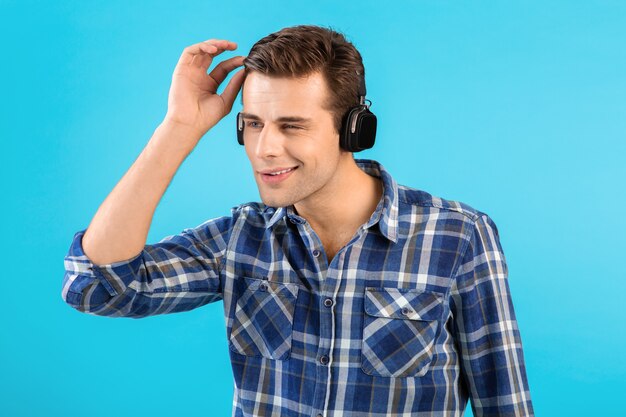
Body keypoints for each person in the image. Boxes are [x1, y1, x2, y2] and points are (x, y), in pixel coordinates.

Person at [61, 25, 534, 417]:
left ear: (354, 130)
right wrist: (179, 127)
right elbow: (99, 287)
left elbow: (505, 403)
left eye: (292, 125)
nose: (265, 148)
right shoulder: (238, 240)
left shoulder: (458, 236)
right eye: (253, 124)